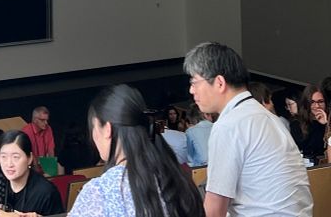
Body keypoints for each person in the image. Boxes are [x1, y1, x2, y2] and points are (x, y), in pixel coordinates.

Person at [184, 41, 312, 217]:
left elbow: (214, 211)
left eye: (194, 82)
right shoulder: (270, 119)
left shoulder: (229, 125)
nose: (191, 90)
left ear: (219, 83)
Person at [67, 84, 204, 217]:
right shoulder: (179, 180)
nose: (93, 137)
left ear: (107, 129)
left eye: (94, 128)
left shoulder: (99, 193)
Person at [0, 130, 63, 217]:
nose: (9, 164)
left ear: (29, 158)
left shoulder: (46, 192)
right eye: (4, 156)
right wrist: (3, 215)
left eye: (15, 157)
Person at [290, 83, 328, 159]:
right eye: (312, 102)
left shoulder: (329, 121)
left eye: (320, 101)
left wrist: (326, 124)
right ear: (306, 103)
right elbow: (305, 147)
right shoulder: (297, 124)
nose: (317, 106)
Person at [21, 107, 54, 174]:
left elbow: (51, 149)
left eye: (47, 120)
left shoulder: (48, 128)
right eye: (43, 120)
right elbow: (30, 154)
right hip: (30, 165)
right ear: (35, 120)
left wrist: (51, 169)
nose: (46, 123)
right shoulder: (26, 131)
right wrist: (38, 171)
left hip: (44, 161)